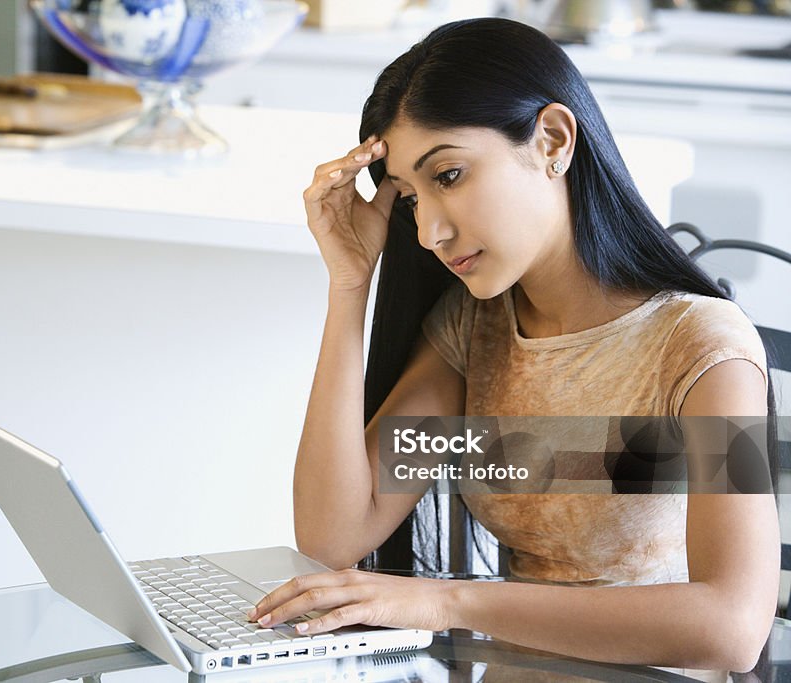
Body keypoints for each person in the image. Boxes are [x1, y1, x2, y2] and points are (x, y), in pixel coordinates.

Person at [245, 17, 780, 674]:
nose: (429, 233)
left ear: (552, 139)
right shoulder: (476, 333)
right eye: (412, 198)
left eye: (449, 175)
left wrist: (449, 602)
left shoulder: (703, 346)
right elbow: (335, 531)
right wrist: (350, 282)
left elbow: (731, 625)